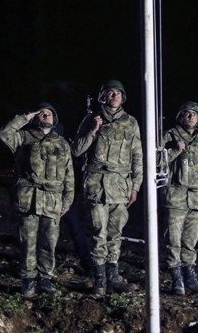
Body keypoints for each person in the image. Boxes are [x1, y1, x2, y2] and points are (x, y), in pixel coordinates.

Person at [71, 79, 143, 297]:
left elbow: (137, 156)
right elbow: (76, 150)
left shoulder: (131, 122)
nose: (114, 96)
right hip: (97, 184)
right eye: (110, 93)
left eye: (118, 93)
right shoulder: (91, 119)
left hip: (121, 186)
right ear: (102, 97)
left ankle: (113, 276)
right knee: (98, 232)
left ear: (123, 97)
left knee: (115, 233)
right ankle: (100, 279)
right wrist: (93, 130)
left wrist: (136, 186)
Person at [0, 103, 74, 297]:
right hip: (29, 198)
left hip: (52, 199)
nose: (45, 116)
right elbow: (4, 134)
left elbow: (69, 174)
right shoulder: (23, 138)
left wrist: (67, 200)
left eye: (49, 114)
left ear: (54, 120)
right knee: (28, 241)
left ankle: (45, 278)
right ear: (35, 118)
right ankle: (28, 279)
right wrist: (24, 117)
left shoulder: (62, 143)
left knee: (49, 241)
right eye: (42, 114)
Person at [161, 101, 198, 295]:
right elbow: (155, 161)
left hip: (197, 198)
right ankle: (177, 280)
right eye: (187, 113)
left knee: (190, 241)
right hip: (176, 197)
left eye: (195, 114)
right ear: (181, 116)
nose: (191, 117)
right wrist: (175, 150)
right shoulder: (169, 135)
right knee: (173, 241)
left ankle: (190, 278)